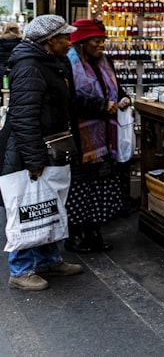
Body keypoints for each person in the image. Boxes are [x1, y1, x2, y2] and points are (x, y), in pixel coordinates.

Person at [0, 14, 84, 291]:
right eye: (65, 38)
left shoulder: (50, 63)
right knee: (27, 204)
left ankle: (48, 259)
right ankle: (21, 269)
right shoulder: (29, 67)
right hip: (32, 150)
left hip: (52, 145)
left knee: (47, 202)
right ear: (49, 41)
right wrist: (33, 159)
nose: (69, 43)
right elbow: (24, 117)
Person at [65, 19, 130, 254]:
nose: (101, 44)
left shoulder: (105, 62)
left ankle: (94, 231)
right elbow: (70, 101)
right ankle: (76, 235)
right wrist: (102, 105)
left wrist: (123, 98)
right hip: (82, 140)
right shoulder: (68, 63)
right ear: (82, 42)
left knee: (101, 186)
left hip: (105, 138)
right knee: (80, 187)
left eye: (103, 40)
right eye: (96, 40)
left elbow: (115, 88)